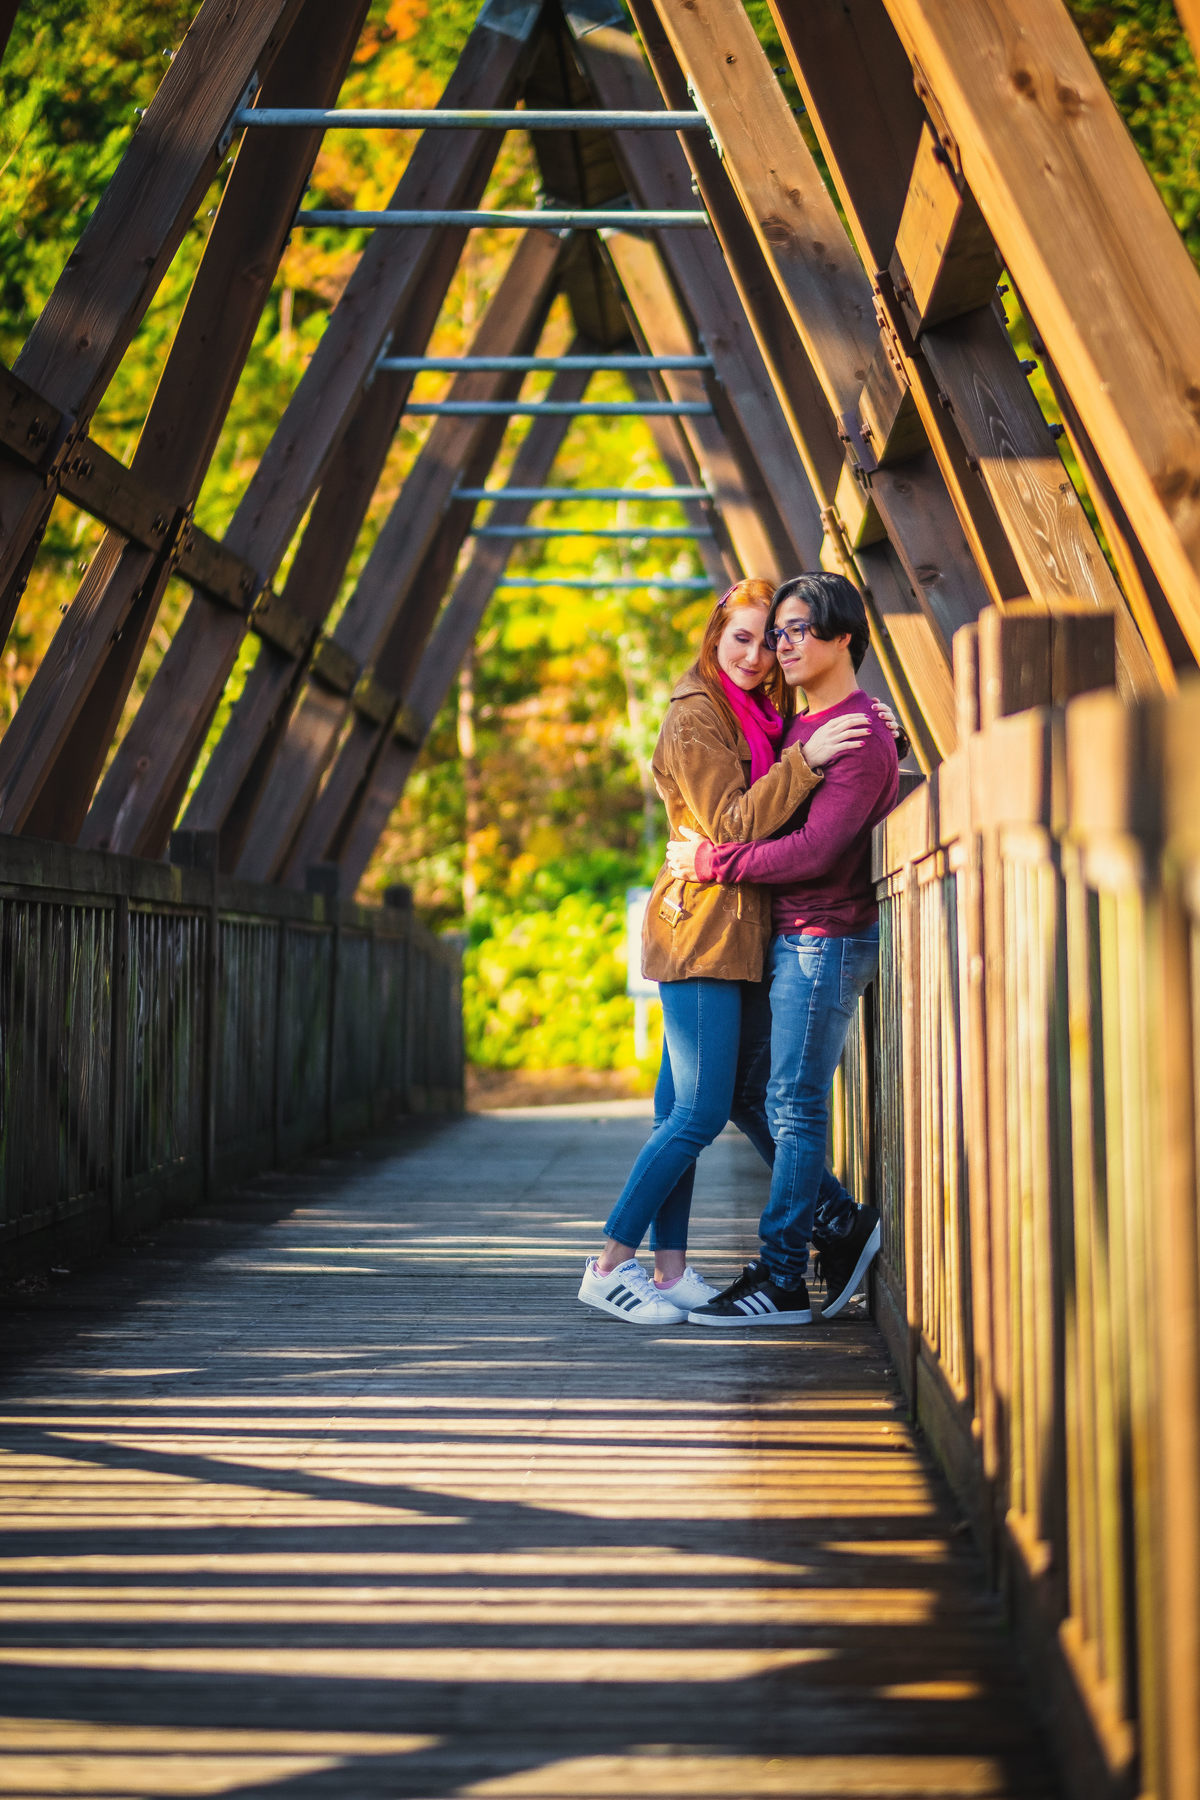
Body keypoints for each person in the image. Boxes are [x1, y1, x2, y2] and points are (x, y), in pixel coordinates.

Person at [578, 579, 885, 1328]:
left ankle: (672, 1268)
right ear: (714, 635)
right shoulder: (697, 717)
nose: (760, 652)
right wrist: (808, 758)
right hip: (705, 928)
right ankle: (609, 1265)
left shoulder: (765, 714)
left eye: (772, 637)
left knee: (678, 1111)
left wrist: (872, 749)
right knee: (698, 1112)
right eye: (743, 636)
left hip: (739, 928)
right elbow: (735, 822)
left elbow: (821, 797)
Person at [667, 571, 899, 1327]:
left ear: (844, 641)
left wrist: (714, 863)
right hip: (790, 940)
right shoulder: (806, 726)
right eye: (778, 633)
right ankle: (837, 1221)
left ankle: (782, 1279)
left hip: (823, 939)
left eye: (799, 631)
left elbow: (814, 849)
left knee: (794, 1107)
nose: (782, 646)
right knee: (745, 1092)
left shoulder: (855, 732)